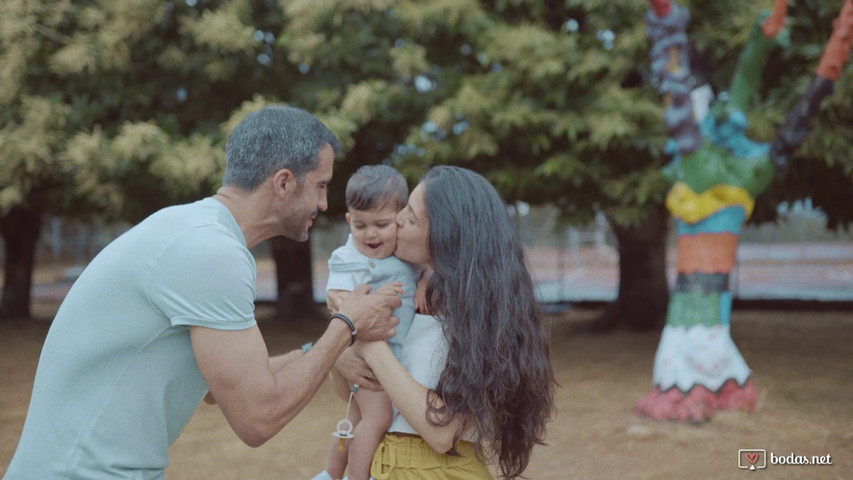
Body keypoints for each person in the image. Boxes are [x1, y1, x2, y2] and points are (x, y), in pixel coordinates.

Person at [3, 105, 401, 480]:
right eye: (320, 185)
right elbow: (257, 417)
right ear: (283, 182)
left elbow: (218, 388)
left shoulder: (196, 232)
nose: (323, 202)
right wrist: (346, 325)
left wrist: (324, 353)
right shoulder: (212, 253)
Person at [337, 166, 557, 479]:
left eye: (410, 217)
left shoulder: (476, 321)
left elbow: (442, 432)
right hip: (384, 464)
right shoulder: (407, 296)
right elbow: (350, 395)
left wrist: (368, 344)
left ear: (445, 236)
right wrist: (341, 356)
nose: (397, 220)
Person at [314, 165, 420, 480]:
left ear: (401, 219)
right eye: (360, 225)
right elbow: (342, 304)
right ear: (349, 221)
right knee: (377, 418)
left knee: (355, 417)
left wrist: (426, 282)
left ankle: (330, 475)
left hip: (386, 358)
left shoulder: (404, 253)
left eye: (382, 224)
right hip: (366, 359)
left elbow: (424, 271)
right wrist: (374, 300)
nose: (370, 234)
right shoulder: (352, 258)